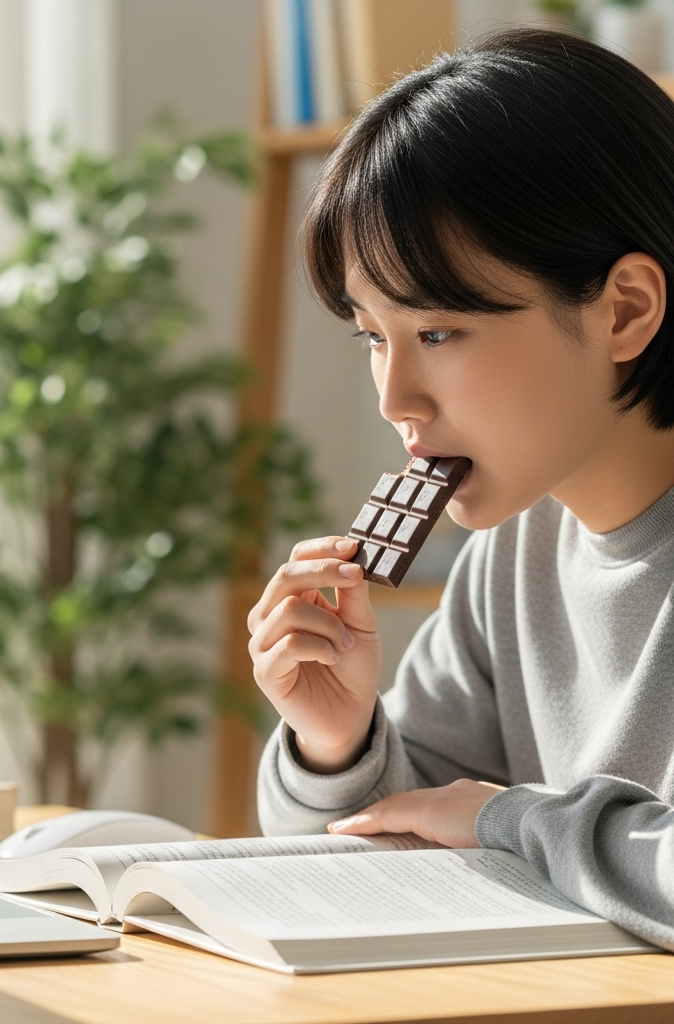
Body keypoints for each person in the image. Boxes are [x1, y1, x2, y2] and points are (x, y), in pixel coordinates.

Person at [251, 27, 674, 950]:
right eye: (372, 335)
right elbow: (387, 841)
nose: (395, 398)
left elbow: (473, 818)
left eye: (438, 332)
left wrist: (508, 820)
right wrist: (339, 741)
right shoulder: (515, 550)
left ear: (626, 310)